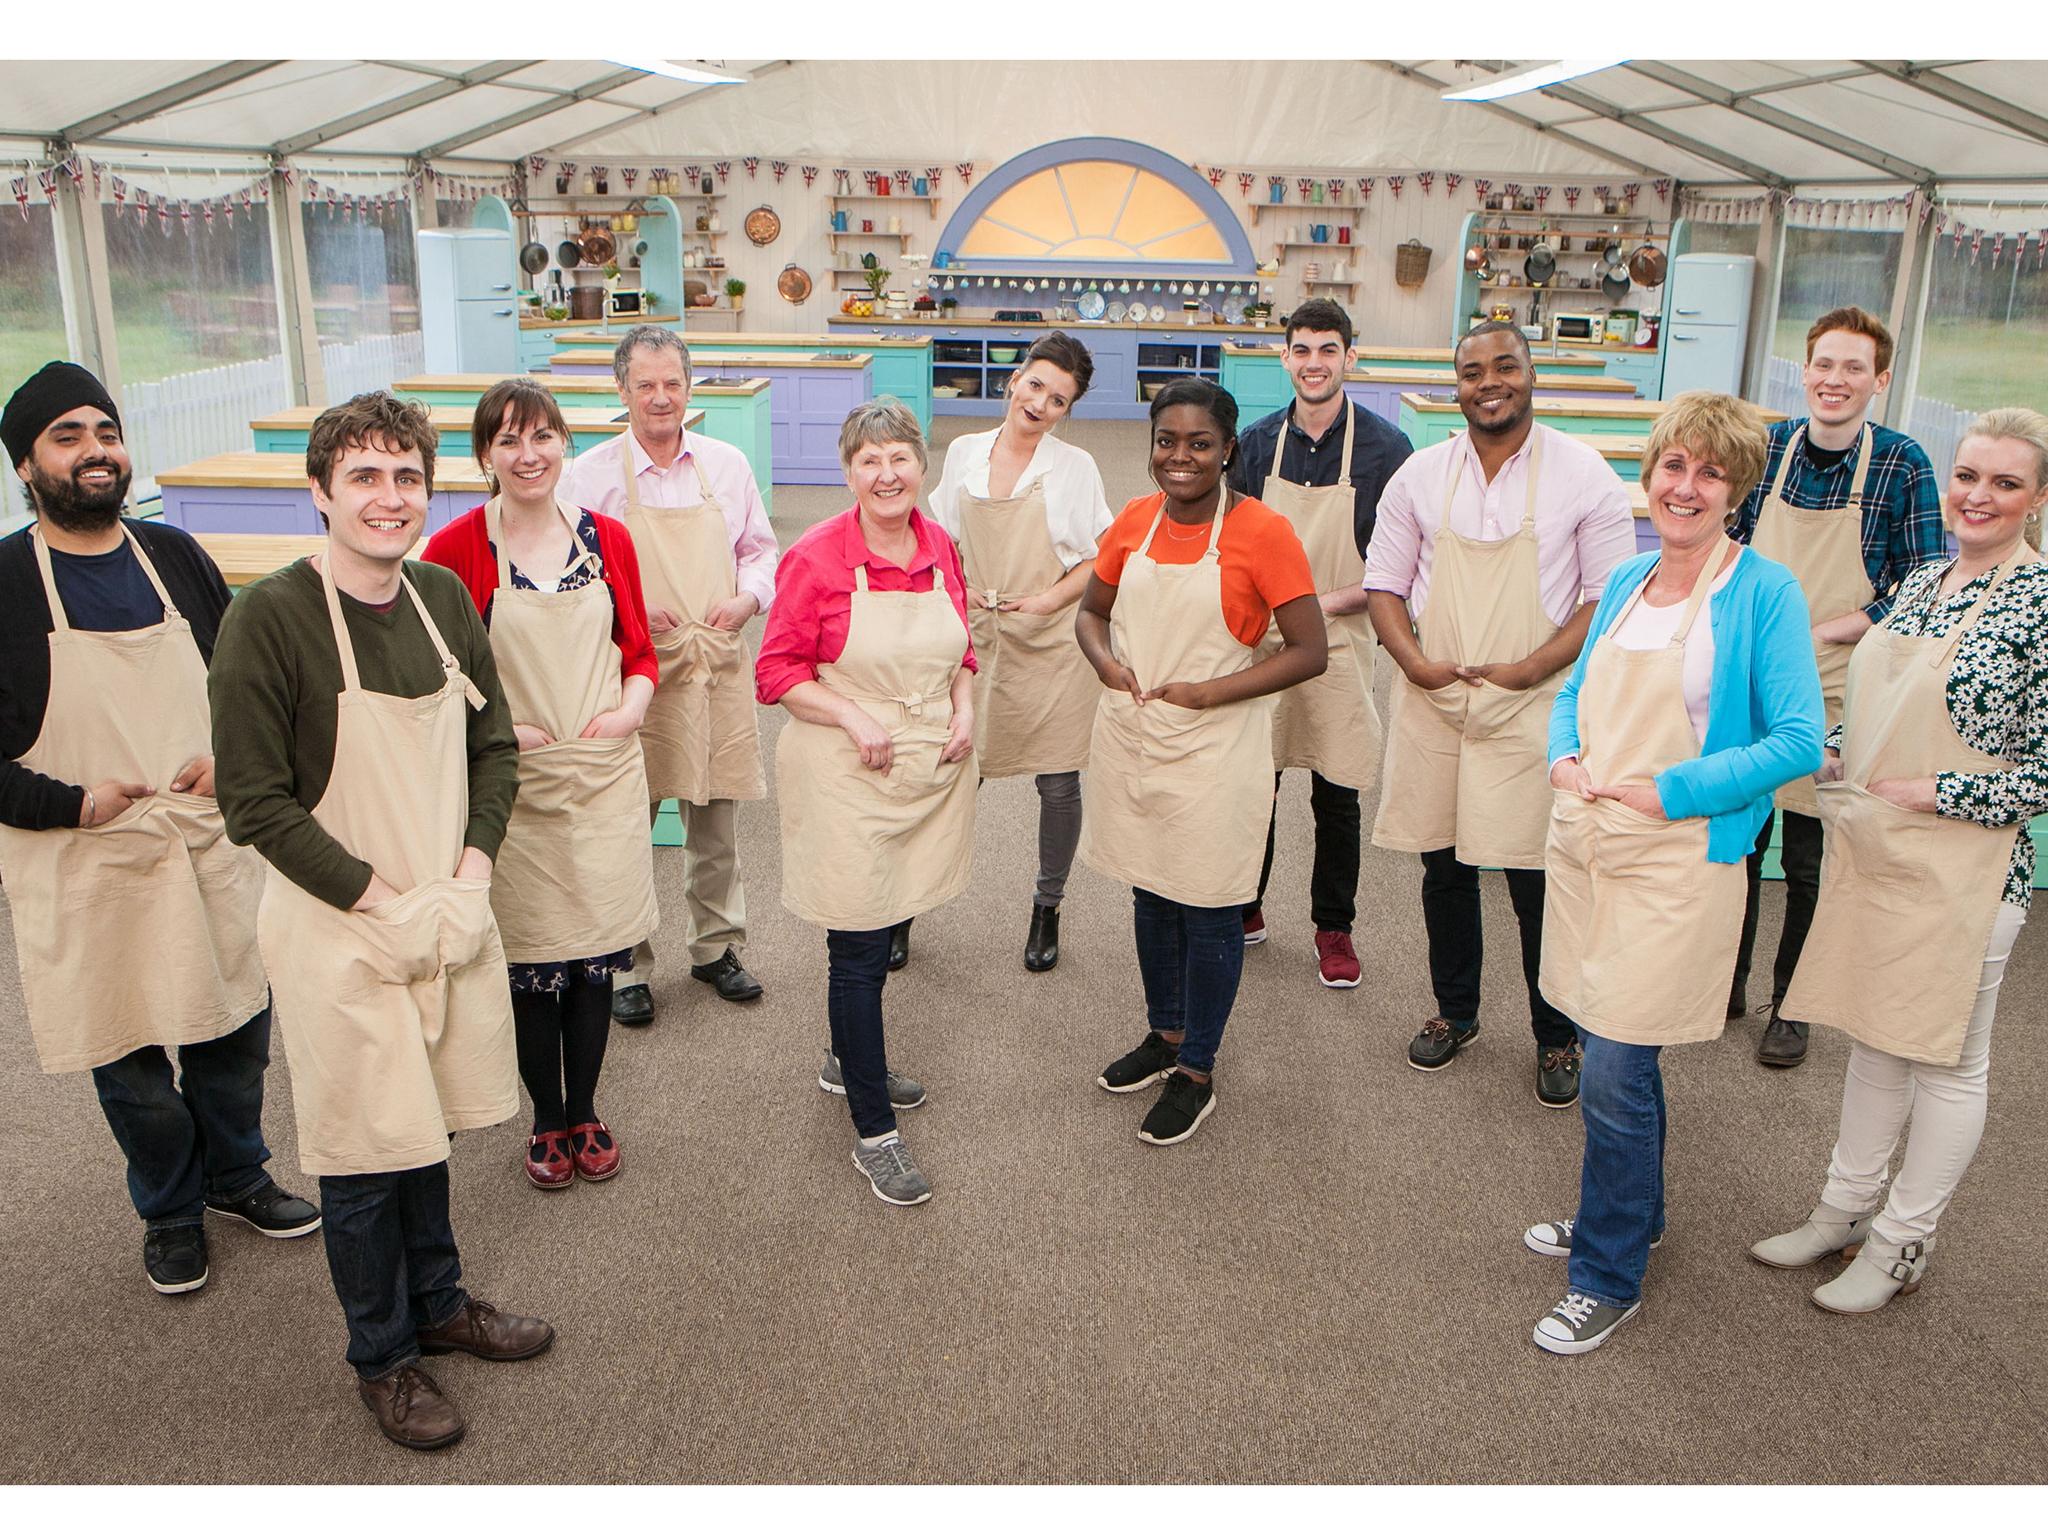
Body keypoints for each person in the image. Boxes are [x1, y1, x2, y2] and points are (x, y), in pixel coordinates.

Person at [211, 392, 552, 1450]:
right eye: (363, 476)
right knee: (363, 1152)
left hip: (440, 909)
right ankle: (384, 1356)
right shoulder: (270, 617)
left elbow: (493, 748)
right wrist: (377, 895)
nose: (388, 496)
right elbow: (252, 801)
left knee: (430, 1121)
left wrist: (470, 862)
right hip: (336, 924)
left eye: (406, 476)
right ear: (319, 492)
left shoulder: (445, 598)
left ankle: (440, 1303)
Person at [0, 361, 317, 1297]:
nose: (96, 450)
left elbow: (246, 689)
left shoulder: (174, 557)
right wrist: (69, 804)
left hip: (204, 837)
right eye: (68, 436)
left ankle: (237, 1175)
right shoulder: (9, 585)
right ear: (26, 465)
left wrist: (237, 760)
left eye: (106, 430)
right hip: (88, 852)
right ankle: (170, 1210)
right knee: (129, 1050)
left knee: (235, 1026)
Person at [1524, 392, 1822, 1355]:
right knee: (1613, 1048)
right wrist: (1564, 754)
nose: (1684, 488)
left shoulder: (1763, 593)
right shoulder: (1628, 579)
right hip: (1593, 847)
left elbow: (1799, 740)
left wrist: (1676, 788)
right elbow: (1574, 691)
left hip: (1681, 856)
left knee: (1617, 1064)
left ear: (1734, 489)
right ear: (1648, 477)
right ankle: (1633, 1212)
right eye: (1672, 467)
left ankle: (1607, 1275)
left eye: (1709, 472)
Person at [1753, 409, 2048, 1312]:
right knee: (1875, 1042)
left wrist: (1937, 792)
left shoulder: (2040, 604)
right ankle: (1843, 1211)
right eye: (1968, 475)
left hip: (1970, 872)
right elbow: (1876, 700)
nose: (1977, 496)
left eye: (2004, 482)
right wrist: (1837, 747)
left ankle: (1901, 1241)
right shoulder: (1921, 580)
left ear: (2037, 498)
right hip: (1881, 851)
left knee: (1947, 1061)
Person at [1364, 322, 1637, 1108]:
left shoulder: (1583, 474)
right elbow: (1384, 584)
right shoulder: (1420, 475)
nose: (1491, 382)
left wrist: (1531, 668)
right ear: (1457, 385)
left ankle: (1558, 1037)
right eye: (1473, 370)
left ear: (1531, 374)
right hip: (1435, 695)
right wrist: (1412, 664)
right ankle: (1455, 1012)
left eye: (1506, 366)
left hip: (1535, 706)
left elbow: (1606, 596)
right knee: (1443, 868)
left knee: (1534, 878)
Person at [423, 378, 659, 1191]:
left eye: (543, 436)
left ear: (564, 443)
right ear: (484, 455)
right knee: (531, 964)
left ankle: (586, 1107)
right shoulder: (455, 549)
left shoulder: (610, 540)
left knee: (595, 959)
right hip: (513, 789)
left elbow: (640, 651)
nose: (529, 455)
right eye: (508, 440)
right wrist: (496, 729)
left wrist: (631, 709)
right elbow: (432, 672)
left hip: (599, 778)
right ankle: (545, 1118)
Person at [1081, 379, 1327, 1146]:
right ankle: (1166, 1034)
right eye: (1166, 440)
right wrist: (1106, 665)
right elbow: (1091, 613)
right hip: (1137, 731)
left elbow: (1310, 651)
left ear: (1227, 452)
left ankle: (1198, 1070)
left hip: (1217, 743)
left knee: (1210, 905)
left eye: (1199, 444)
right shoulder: (1132, 521)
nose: (1179, 457)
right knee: (1151, 891)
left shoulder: (1263, 533)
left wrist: (1211, 691)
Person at [755, 399, 977, 1207]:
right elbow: (775, 674)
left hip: (919, 766)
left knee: (888, 922)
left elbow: (964, 643)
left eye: (900, 458)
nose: (887, 475)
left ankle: (850, 1060)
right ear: (848, 473)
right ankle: (874, 1132)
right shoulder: (815, 558)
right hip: (845, 769)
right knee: (858, 946)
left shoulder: (941, 543)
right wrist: (850, 713)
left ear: (922, 466)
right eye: (869, 461)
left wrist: (964, 705)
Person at [1728, 306, 1944, 1067]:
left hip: (1842, 683)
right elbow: (1733, 543)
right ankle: (1728, 976)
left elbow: (1920, 585)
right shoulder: (1771, 446)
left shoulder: (1903, 463)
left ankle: (1795, 1003)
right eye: (1824, 364)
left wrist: (1829, 628)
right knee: (1741, 839)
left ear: (1879, 381)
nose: (1836, 380)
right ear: (1804, 369)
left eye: (1855, 368)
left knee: (1813, 856)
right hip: (1755, 673)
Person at [563, 324, 777, 1024]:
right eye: (645, 385)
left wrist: (748, 598)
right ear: (620, 389)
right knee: (626, 818)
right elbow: (568, 575)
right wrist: (625, 607)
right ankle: (627, 962)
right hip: (630, 672)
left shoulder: (726, 465)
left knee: (714, 816)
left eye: (673, 384)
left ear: (689, 389)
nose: (661, 398)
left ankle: (716, 947)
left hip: (713, 663)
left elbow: (759, 550)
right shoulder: (588, 477)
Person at [1226, 298, 1413, 987]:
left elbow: (1401, 565)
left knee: (1337, 789)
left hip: (1343, 640)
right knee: (1256, 777)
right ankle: (1245, 903)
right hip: (1266, 641)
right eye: (1301, 350)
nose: (1314, 363)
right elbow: (1232, 547)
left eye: (1327, 350)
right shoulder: (1254, 443)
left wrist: (1321, 603)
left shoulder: (1388, 450)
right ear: (1285, 358)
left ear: (1349, 358)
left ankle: (1334, 926)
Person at [928, 330, 1113, 973]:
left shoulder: (1075, 468)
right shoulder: (963, 452)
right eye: (1035, 385)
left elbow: (1097, 557)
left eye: (1058, 399)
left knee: (1058, 781)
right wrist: (963, 588)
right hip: (975, 632)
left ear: (1067, 411)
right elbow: (941, 540)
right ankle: (902, 907)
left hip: (1049, 640)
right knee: (950, 769)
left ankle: (1046, 907)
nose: (1039, 403)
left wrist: (1047, 602)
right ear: (1015, 380)